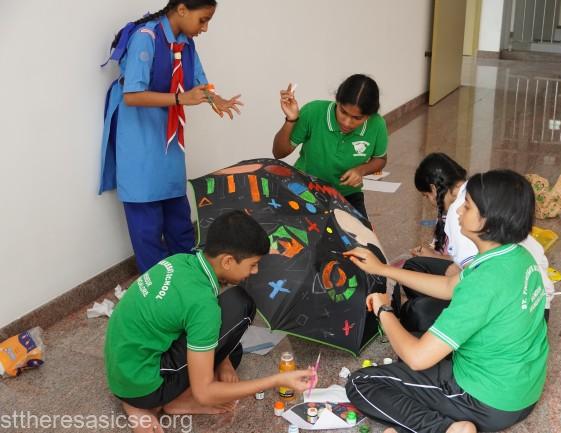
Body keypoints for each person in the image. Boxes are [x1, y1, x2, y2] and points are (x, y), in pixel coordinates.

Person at [343, 170, 549, 433]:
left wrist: (384, 310)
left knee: (361, 383)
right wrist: (383, 269)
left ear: (488, 220)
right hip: (523, 391)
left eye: (467, 206)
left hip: (486, 401)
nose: (459, 210)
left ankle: (445, 429)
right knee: (413, 339)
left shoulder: (483, 283)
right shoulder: (516, 256)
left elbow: (417, 358)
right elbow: (449, 286)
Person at [104, 211, 316, 433]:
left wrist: (222, 361)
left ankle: (145, 399)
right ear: (227, 261)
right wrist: (277, 380)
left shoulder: (180, 261)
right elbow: (205, 392)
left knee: (232, 350)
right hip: (141, 385)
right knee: (240, 309)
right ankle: (167, 402)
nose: (255, 271)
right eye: (253, 264)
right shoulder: (203, 305)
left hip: (123, 367)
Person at [99, 0, 243, 273]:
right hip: (139, 133)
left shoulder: (186, 43)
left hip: (168, 135)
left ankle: (188, 277)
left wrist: (216, 100)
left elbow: (200, 83)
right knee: (147, 219)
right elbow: (132, 95)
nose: (205, 28)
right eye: (203, 20)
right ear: (182, 9)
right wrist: (180, 98)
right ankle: (158, 286)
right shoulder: (146, 38)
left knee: (178, 214)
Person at [402, 154, 554, 334]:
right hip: (528, 297)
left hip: (515, 312)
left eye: (466, 207)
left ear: (434, 189)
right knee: (414, 268)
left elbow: (476, 284)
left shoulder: (461, 213)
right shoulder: (478, 194)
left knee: (415, 312)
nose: (460, 210)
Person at [272, 74, 388, 220]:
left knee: (361, 234)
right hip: (304, 188)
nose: (346, 122)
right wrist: (291, 120)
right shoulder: (313, 112)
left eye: (357, 118)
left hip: (347, 195)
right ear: (337, 101)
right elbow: (279, 153)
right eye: (343, 112)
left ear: (369, 116)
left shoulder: (377, 125)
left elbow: (380, 159)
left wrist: (361, 170)